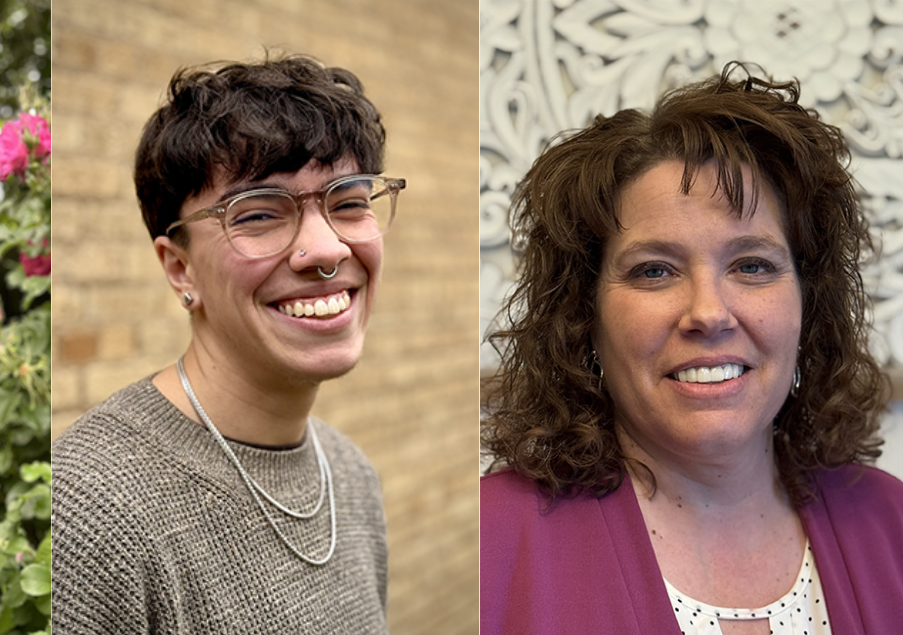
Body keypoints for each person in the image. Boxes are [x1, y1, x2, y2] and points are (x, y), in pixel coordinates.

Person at [480, 63, 903, 634]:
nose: (708, 312)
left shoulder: (890, 521)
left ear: (809, 303)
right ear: (585, 314)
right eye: (655, 271)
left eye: (752, 265)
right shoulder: (490, 540)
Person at [51, 55, 404, 633]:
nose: (327, 249)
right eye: (260, 214)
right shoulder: (92, 507)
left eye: (348, 202)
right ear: (180, 269)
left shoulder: (351, 477)